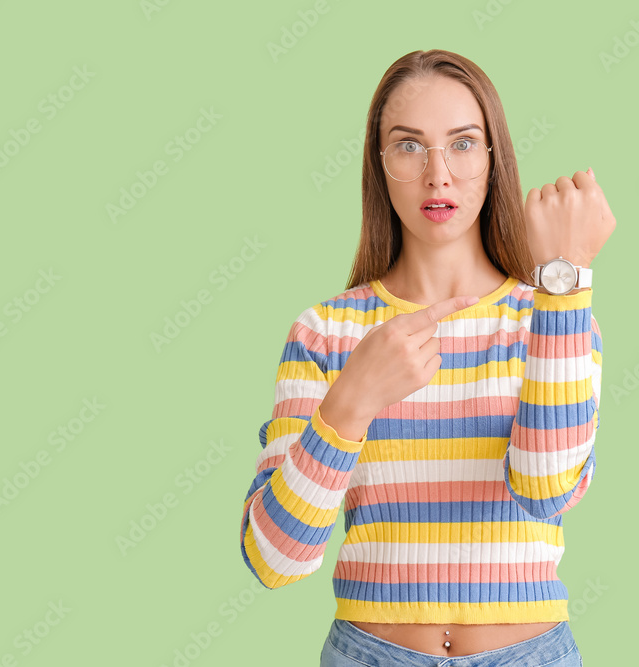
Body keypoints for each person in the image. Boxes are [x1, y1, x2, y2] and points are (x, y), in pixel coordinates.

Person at [239, 49, 615, 666]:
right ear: (379, 164)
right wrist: (352, 400)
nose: (438, 174)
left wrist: (565, 282)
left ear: (495, 159)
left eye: (463, 144)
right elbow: (274, 561)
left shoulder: (551, 314)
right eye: (409, 146)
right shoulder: (325, 332)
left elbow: (546, 489)